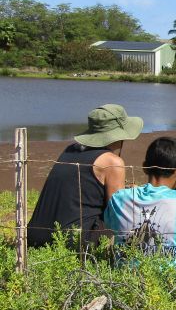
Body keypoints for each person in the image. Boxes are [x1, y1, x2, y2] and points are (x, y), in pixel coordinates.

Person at [28, 104, 143, 248]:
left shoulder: (71, 150)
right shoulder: (113, 162)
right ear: (119, 135)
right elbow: (117, 214)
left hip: (35, 237)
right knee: (137, 220)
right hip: (73, 241)